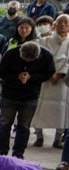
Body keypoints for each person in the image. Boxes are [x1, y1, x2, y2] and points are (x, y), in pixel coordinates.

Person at [0, 42, 56, 158]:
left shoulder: (46, 56)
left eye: (30, 61)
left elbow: (49, 73)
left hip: (30, 96)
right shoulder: (10, 54)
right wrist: (16, 76)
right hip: (10, 95)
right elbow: (1, 73)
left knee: (24, 126)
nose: (27, 62)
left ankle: (18, 153)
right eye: (25, 59)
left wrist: (32, 76)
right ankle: (1, 152)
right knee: (4, 124)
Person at [35, 14, 69, 152]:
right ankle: (39, 136)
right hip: (46, 78)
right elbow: (40, 57)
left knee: (62, 109)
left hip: (63, 80)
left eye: (66, 23)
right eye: (60, 22)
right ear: (54, 25)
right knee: (39, 106)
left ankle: (58, 137)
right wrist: (50, 73)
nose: (63, 25)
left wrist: (60, 74)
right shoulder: (44, 41)